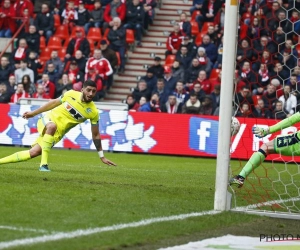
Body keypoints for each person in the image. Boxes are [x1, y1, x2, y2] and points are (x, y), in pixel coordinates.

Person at [0, 80, 116, 171]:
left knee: (34, 152)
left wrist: (102, 156)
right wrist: (33, 113)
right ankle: (43, 165)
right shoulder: (70, 94)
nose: (91, 94)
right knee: (52, 126)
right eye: (88, 90)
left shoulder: (93, 112)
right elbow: (53, 103)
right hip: (48, 120)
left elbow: (95, 135)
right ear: (82, 90)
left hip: (57, 133)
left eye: (93, 91)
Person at [229, 103, 300, 188]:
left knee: (265, 147)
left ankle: (240, 177)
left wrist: (268, 130)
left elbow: (291, 120)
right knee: (266, 147)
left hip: (296, 141)